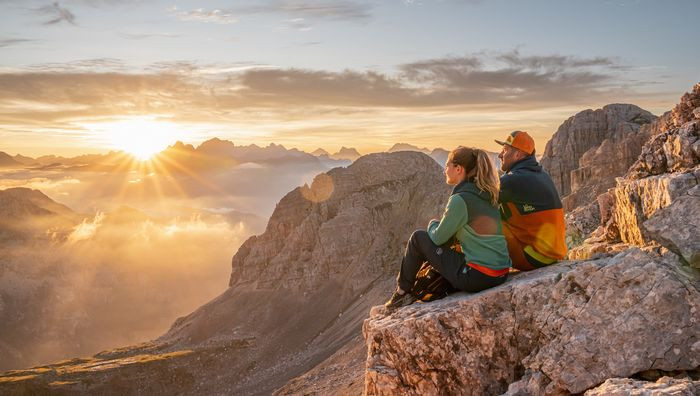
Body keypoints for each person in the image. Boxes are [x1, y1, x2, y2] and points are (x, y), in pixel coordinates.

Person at [385, 146, 512, 309]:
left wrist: (432, 224)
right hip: (501, 272)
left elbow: (438, 237)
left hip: (479, 276)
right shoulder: (488, 192)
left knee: (418, 238)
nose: (445, 169)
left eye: (447, 165)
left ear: (458, 169)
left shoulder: (461, 199)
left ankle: (401, 293)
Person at [495, 130, 567, 271]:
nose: (500, 155)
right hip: (551, 256)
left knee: (481, 218)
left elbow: (476, 197)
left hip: (533, 258)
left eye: (505, 150)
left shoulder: (513, 180)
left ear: (518, 154)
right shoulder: (541, 175)